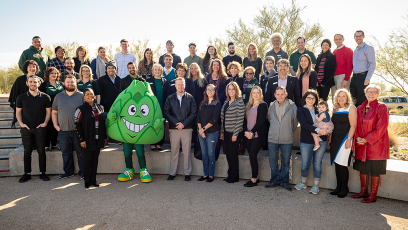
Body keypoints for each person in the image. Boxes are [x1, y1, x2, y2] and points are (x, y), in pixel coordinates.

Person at [116, 62, 152, 183]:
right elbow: (120, 98)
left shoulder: (142, 80)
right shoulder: (123, 80)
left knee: (140, 150)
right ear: (127, 69)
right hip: (126, 116)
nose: (132, 69)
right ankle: (129, 170)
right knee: (126, 151)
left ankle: (143, 170)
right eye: (129, 68)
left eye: (133, 67)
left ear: (136, 68)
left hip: (139, 116)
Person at [352, 85, 389, 203]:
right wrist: (357, 137)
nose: (371, 94)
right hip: (361, 144)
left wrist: (367, 139)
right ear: (365, 93)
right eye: (369, 91)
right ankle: (363, 192)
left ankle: (373, 195)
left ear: (378, 94)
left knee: (374, 170)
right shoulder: (360, 108)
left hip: (376, 145)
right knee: (363, 168)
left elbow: (381, 127)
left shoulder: (381, 107)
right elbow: (355, 125)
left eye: (374, 92)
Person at [16, 75, 51, 183]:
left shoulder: (45, 97)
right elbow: (18, 112)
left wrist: (45, 123)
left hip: (40, 128)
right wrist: (21, 124)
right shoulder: (21, 97)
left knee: (41, 151)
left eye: (35, 82)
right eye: (30, 82)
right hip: (26, 129)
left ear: (39, 84)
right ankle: (27, 174)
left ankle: (42, 173)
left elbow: (49, 112)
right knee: (27, 152)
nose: (33, 84)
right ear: (27, 83)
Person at [295, 89, 329, 194]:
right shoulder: (300, 110)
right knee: (305, 163)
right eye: (308, 98)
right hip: (306, 141)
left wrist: (326, 130)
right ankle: (303, 182)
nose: (310, 100)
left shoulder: (319, 110)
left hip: (321, 140)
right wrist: (318, 130)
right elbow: (304, 124)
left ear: (316, 100)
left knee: (317, 163)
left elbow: (327, 120)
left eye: (313, 98)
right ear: (305, 98)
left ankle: (315, 186)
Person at [52, 75, 85, 179]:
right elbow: (54, 112)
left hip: (79, 131)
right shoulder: (58, 97)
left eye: (72, 82)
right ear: (64, 83)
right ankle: (68, 172)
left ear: (75, 83)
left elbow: (87, 113)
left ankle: (83, 172)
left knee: (81, 153)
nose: (70, 84)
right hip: (63, 131)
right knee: (66, 153)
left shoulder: (81, 96)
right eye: (68, 82)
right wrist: (55, 125)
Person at [164, 77, 197, 181]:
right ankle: (172, 173)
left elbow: (193, 113)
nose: (180, 86)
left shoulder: (190, 98)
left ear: (185, 85)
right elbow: (166, 112)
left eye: (182, 84)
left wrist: (184, 124)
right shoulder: (170, 98)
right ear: (175, 86)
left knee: (187, 152)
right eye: (178, 84)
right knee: (174, 151)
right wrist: (176, 123)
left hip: (187, 129)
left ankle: (187, 173)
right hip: (174, 129)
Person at [265, 86, 298, 191]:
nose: (280, 96)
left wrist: (287, 131)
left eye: (282, 94)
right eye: (278, 94)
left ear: (286, 94)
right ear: (275, 95)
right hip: (273, 138)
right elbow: (270, 119)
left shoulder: (292, 106)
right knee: (273, 160)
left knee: (286, 161)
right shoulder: (271, 106)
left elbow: (295, 123)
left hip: (286, 138)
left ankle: (284, 181)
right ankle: (274, 180)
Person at [74, 88, 107, 188]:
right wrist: (81, 140)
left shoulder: (100, 107)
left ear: (94, 95)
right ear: (84, 96)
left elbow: (103, 124)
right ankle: (87, 181)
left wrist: (104, 137)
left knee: (95, 160)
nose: (90, 96)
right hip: (86, 140)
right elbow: (77, 124)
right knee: (86, 160)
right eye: (87, 94)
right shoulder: (80, 109)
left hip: (98, 139)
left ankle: (94, 180)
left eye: (91, 94)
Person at [328, 89, 357, 198]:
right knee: (337, 164)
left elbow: (353, 126)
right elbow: (332, 125)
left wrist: (349, 139)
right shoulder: (335, 109)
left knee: (342, 164)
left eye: (343, 96)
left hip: (345, 139)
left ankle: (345, 188)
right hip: (335, 139)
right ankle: (338, 187)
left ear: (347, 97)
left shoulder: (351, 108)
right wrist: (330, 139)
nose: (341, 98)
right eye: (339, 96)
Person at [220, 82, 245, 183]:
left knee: (233, 154)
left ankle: (234, 176)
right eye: (229, 89)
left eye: (233, 89)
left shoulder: (239, 102)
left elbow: (240, 119)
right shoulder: (226, 102)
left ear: (236, 90)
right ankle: (230, 174)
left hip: (235, 132)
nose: (231, 91)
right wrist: (222, 132)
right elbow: (223, 118)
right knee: (228, 154)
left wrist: (235, 134)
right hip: (226, 132)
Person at [243, 86, 267, 187]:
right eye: (254, 92)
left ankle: (253, 179)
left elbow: (261, 121)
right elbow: (244, 120)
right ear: (251, 94)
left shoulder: (263, 105)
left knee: (253, 155)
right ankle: (256, 176)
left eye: (258, 92)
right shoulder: (248, 105)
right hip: (247, 135)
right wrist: (246, 132)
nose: (256, 94)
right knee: (251, 156)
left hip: (256, 135)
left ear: (260, 94)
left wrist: (252, 132)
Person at [197, 84, 221, 183]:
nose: (210, 91)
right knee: (204, 154)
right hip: (201, 132)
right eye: (208, 89)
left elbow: (214, 119)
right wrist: (200, 130)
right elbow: (198, 117)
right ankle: (205, 174)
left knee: (211, 154)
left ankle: (211, 175)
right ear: (206, 91)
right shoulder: (202, 103)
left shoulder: (217, 103)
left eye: (212, 90)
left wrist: (203, 129)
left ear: (215, 92)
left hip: (212, 132)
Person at [39, 67, 64, 151]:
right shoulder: (44, 85)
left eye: (55, 73)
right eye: (52, 73)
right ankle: (46, 145)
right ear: (48, 75)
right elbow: (41, 97)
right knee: (48, 127)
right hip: (48, 109)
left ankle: (54, 145)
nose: (54, 75)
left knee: (55, 127)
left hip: (59, 109)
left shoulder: (60, 84)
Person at [146, 64, 169, 150]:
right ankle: (152, 142)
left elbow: (167, 94)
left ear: (161, 71)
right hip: (152, 107)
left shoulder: (165, 81)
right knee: (152, 124)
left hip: (162, 106)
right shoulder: (148, 81)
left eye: (159, 70)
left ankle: (159, 142)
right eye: (155, 70)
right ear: (153, 71)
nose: (157, 71)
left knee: (161, 124)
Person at [351, 30, 376, 107]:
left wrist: (368, 78)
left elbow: (372, 64)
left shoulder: (368, 48)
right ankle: (355, 118)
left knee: (362, 100)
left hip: (363, 77)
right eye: (357, 36)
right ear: (354, 38)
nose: (358, 38)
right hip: (354, 77)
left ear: (363, 37)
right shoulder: (355, 50)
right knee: (353, 99)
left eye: (360, 36)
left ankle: (363, 118)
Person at [331, 33, 353, 99]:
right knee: (334, 98)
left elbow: (350, 66)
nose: (338, 41)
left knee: (342, 98)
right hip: (334, 77)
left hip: (342, 77)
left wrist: (346, 79)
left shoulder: (348, 50)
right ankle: (335, 110)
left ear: (343, 39)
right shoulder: (334, 51)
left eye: (340, 39)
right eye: (336, 40)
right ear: (334, 41)